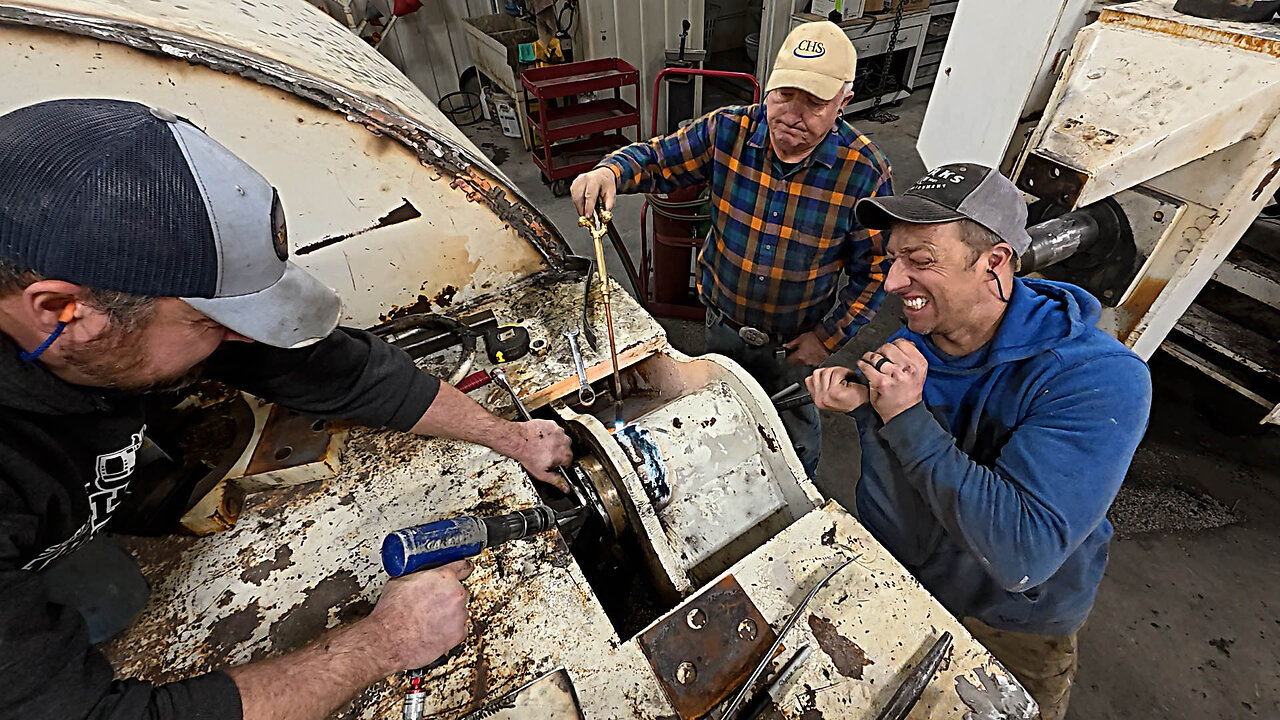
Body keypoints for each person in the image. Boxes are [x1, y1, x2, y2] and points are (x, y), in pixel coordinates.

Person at [0, 99, 574, 720]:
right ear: (62, 310)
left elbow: (334, 368)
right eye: (212, 323)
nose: (240, 342)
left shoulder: (101, 323)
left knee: (110, 598)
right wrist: (383, 644)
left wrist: (509, 436)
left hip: (51, 530)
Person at [805, 164, 1152, 720]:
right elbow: (897, 487)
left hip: (1010, 623)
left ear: (994, 262)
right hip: (908, 589)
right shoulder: (915, 341)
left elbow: (1021, 553)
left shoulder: (1099, 379)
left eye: (920, 261)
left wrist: (907, 416)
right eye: (894, 258)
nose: (892, 282)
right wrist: (870, 411)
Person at [571, 21, 892, 477]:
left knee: (791, 445)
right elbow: (659, 159)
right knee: (717, 422)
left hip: (793, 346)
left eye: (815, 103)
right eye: (784, 95)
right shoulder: (728, 131)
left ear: (844, 102)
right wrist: (609, 172)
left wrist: (828, 337)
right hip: (723, 325)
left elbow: (876, 271)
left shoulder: (865, 173)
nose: (792, 115)